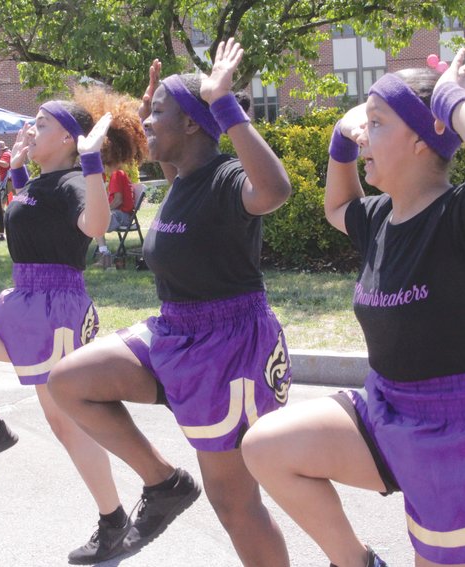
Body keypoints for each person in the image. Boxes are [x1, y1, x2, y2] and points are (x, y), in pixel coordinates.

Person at [242, 49, 465, 567]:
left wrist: (451, 98)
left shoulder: (464, 215)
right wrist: (341, 135)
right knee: (267, 446)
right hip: (386, 409)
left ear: (423, 140)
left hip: (464, 430)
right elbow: (337, 207)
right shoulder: (379, 217)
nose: (364, 136)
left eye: (376, 124)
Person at [48, 38, 294, 567]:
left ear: (192, 125)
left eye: (160, 113)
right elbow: (162, 151)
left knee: (236, 504)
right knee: (69, 381)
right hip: (174, 329)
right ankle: (164, 484)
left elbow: (274, 190)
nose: (147, 122)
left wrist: (223, 102)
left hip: (231, 346)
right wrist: (149, 114)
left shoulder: (228, 178)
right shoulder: (180, 179)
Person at [0, 94, 145, 564]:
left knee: (67, 425)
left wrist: (90, 163)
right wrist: (19, 168)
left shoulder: (72, 181)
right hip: (21, 300)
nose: (30, 128)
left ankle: (114, 520)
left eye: (41, 123)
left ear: (68, 138)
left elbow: (95, 225)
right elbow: (31, 217)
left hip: (55, 309)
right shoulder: (42, 182)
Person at [94, 165, 135, 268]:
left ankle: (104, 256)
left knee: (96, 221)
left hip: (123, 215)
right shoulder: (117, 174)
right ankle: (104, 254)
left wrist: (103, 210)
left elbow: (118, 200)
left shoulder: (116, 175)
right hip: (123, 215)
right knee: (95, 219)